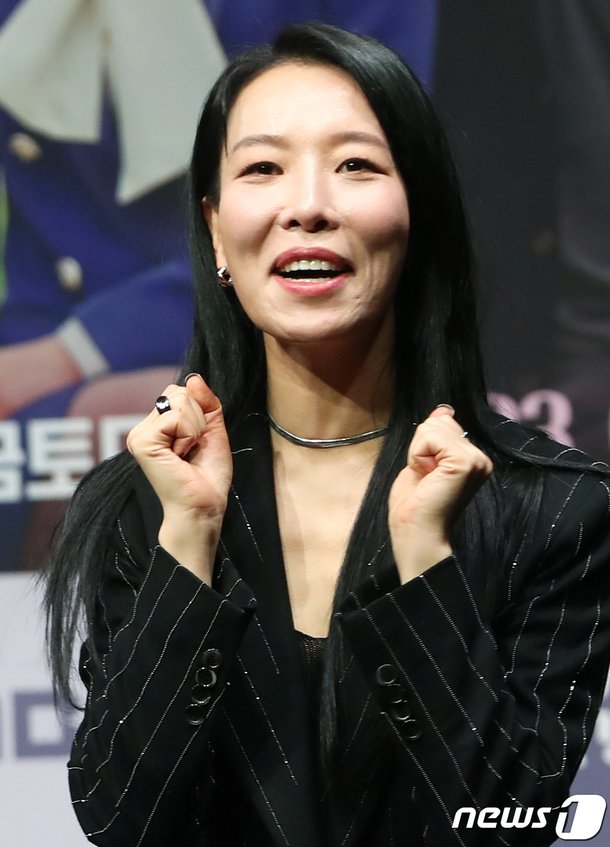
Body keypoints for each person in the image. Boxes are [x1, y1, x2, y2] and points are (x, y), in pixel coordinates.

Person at [44, 23, 610, 847]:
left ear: (418, 213)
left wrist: (426, 562)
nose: (306, 205)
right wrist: (189, 539)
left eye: (355, 165)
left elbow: (502, 824)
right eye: (263, 168)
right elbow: (123, 820)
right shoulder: (148, 504)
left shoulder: (556, 509)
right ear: (215, 229)